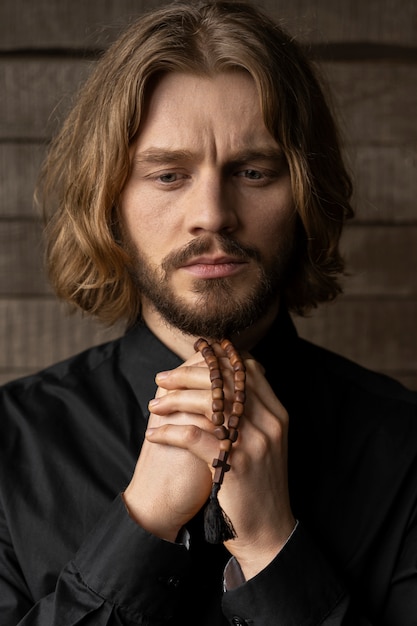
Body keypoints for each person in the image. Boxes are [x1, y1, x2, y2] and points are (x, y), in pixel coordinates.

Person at [0, 0, 416, 623]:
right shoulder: (9, 446)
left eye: (253, 171)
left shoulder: (406, 448)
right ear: (108, 202)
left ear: (305, 193)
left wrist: (275, 546)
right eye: (168, 175)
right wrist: (139, 528)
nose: (213, 214)